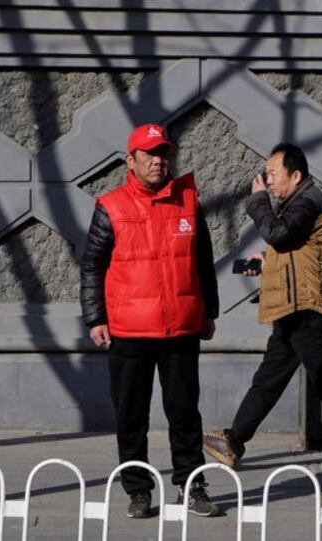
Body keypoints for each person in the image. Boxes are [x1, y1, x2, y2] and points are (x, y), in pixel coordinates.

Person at [202, 143, 322, 475]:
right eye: (266, 175)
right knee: (268, 380)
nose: (267, 181)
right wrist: (267, 262)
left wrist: (256, 203)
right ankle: (234, 441)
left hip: (309, 311)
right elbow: (295, 250)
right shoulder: (297, 202)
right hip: (292, 309)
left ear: (296, 176)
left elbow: (279, 234)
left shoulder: (310, 201)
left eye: (272, 174)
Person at [80, 123, 219, 519]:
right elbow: (91, 265)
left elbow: (202, 261)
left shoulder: (188, 202)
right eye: (149, 154)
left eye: (163, 154)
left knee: (185, 414)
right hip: (128, 330)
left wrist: (209, 310)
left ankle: (191, 486)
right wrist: (95, 318)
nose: (159, 161)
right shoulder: (111, 206)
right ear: (131, 160)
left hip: (180, 327)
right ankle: (138, 490)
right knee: (131, 416)